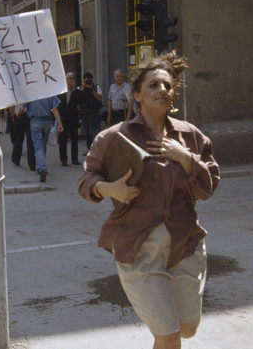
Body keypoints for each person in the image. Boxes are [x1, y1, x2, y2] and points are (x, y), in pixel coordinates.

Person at [78, 52, 220, 349]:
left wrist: (184, 158)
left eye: (167, 85)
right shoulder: (114, 137)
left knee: (187, 329)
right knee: (168, 336)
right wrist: (108, 189)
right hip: (139, 249)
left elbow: (208, 188)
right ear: (137, 95)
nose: (163, 91)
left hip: (185, 244)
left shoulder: (190, 136)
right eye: (153, 85)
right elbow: (86, 181)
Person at [27, 95, 64, 182]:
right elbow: (55, 109)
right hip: (47, 122)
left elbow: (22, 108)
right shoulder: (49, 92)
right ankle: (41, 165)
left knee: (38, 146)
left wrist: (17, 114)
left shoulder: (31, 93)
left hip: (35, 121)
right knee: (43, 146)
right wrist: (59, 123)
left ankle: (42, 168)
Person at [58, 72, 83, 166]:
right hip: (63, 118)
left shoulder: (77, 92)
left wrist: (74, 89)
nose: (71, 80)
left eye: (73, 78)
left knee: (74, 138)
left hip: (73, 118)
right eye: (69, 78)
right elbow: (56, 105)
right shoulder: (61, 91)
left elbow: (80, 101)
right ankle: (63, 159)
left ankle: (74, 159)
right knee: (62, 139)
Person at [79, 71, 103, 149]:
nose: (88, 81)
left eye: (90, 80)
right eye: (87, 80)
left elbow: (99, 98)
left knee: (95, 132)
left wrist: (92, 90)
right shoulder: (81, 88)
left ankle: (96, 149)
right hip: (84, 113)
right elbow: (79, 98)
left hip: (94, 112)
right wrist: (83, 86)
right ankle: (89, 149)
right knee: (87, 133)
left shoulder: (96, 87)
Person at [9, 103, 36, 171]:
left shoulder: (16, 92)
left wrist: (12, 115)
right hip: (29, 116)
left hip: (19, 115)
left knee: (18, 139)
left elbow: (11, 105)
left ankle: (16, 159)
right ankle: (32, 163)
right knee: (30, 140)